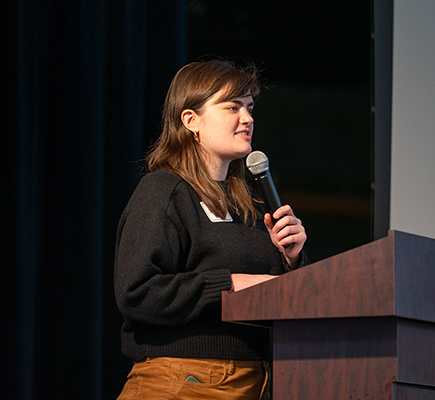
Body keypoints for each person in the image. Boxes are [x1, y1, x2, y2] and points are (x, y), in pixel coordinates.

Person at [114, 59, 308, 400]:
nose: (247, 118)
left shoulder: (251, 206)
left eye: (249, 108)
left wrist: (293, 261)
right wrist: (231, 283)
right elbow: (137, 291)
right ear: (191, 120)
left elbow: (278, 298)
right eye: (232, 107)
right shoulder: (164, 191)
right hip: (183, 382)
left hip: (256, 384)